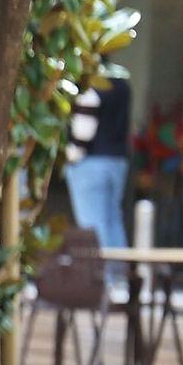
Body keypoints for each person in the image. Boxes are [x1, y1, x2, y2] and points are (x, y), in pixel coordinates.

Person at [64, 77, 133, 280]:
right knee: (112, 221)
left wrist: (72, 155)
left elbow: (84, 125)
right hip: (117, 161)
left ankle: (102, 283)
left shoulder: (90, 84)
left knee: (93, 225)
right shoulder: (122, 84)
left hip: (90, 162)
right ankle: (118, 279)